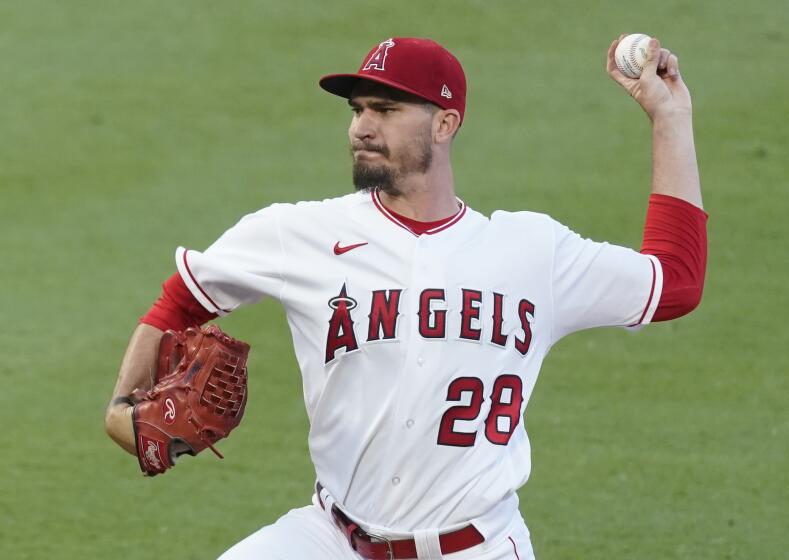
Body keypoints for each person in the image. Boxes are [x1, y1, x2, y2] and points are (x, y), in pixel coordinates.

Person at [105, 35, 707, 559]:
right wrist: (123, 403)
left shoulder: (532, 252)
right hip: (330, 540)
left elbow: (674, 282)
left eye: (387, 109)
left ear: (445, 123)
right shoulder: (298, 234)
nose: (362, 126)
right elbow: (181, 300)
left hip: (479, 546)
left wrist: (670, 119)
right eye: (358, 109)